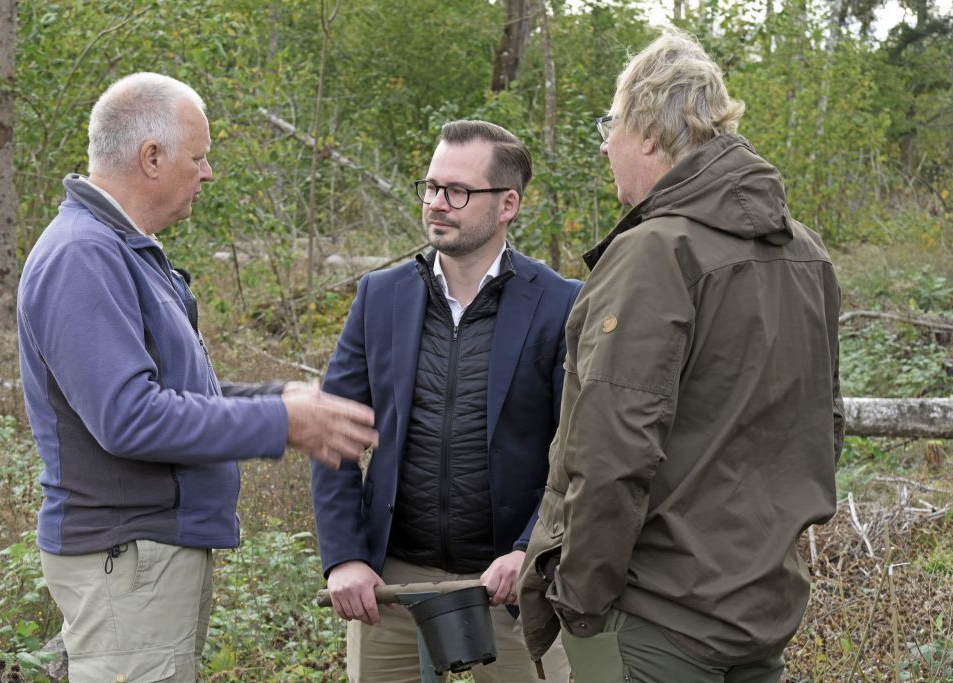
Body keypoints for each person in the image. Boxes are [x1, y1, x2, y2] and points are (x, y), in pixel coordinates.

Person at [17, 72, 378, 682]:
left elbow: (174, 397)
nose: (208, 172)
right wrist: (282, 421)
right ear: (151, 157)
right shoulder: (84, 254)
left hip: (143, 562)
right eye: (200, 156)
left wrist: (279, 398)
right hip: (127, 561)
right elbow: (129, 418)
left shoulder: (125, 249)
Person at [518, 29, 845, 683]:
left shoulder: (653, 254)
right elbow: (823, 430)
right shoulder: (806, 254)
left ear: (646, 130)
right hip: (759, 614)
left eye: (609, 126)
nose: (605, 146)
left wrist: (577, 601)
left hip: (654, 625)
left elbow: (610, 453)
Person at [311, 119, 580, 682]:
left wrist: (532, 548)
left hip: (507, 584)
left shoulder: (561, 305)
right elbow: (330, 433)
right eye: (432, 187)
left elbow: (577, 451)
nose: (437, 203)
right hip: (390, 583)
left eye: (458, 192)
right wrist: (345, 557)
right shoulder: (379, 296)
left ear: (508, 204)